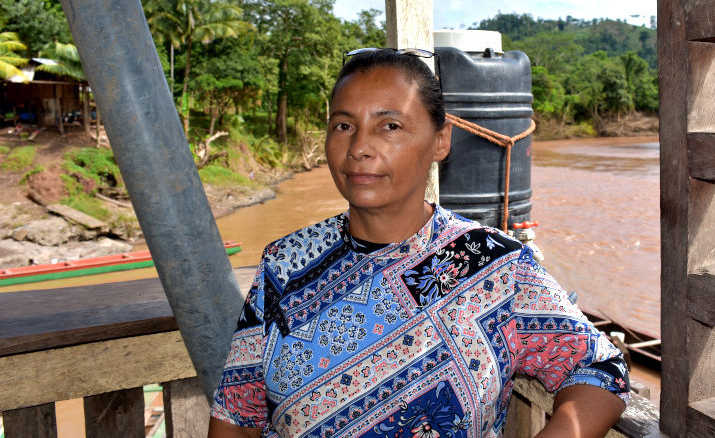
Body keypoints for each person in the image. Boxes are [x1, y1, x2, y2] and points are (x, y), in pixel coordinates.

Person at [208, 49, 629, 438]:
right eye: (343, 125)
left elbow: (599, 367)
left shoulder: (493, 265)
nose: (358, 148)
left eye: (389, 125)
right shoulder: (285, 266)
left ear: (440, 140)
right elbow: (236, 413)